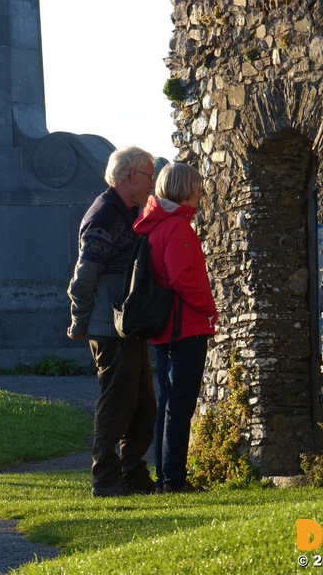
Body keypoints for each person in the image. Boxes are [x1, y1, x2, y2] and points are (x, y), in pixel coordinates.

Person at [67, 146, 157, 497]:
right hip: (110, 327)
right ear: (131, 176)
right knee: (117, 404)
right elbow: (84, 275)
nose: (152, 183)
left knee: (143, 406)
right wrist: (79, 321)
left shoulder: (126, 211)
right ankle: (105, 480)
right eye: (149, 176)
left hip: (128, 327)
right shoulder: (105, 214)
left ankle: (133, 476)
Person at [133, 162, 218, 493]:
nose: (200, 193)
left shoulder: (156, 226)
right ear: (186, 190)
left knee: (168, 405)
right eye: (197, 187)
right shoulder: (178, 228)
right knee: (181, 407)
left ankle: (166, 478)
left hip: (166, 329)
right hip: (186, 328)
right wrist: (209, 309)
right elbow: (182, 278)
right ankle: (174, 480)